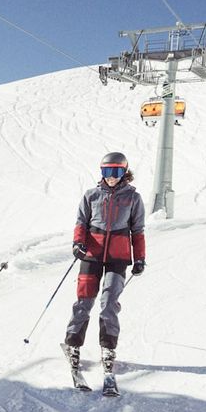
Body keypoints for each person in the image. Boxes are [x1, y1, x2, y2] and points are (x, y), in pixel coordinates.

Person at [63, 151, 146, 369]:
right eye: (106, 171)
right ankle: (73, 344)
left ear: (124, 172)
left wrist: (140, 258)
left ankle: (108, 348)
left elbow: (138, 231)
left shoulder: (133, 198)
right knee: (84, 300)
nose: (111, 176)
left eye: (116, 171)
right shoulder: (91, 195)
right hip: (92, 255)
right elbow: (81, 222)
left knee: (109, 302)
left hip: (117, 258)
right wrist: (78, 243)